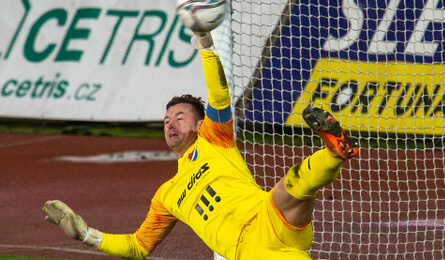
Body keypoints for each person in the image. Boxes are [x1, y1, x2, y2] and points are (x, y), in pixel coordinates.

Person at [42, 32, 358, 260]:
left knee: (294, 185)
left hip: (268, 213)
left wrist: (205, 45)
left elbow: (219, 95)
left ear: (198, 124)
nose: (170, 124)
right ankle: (330, 154)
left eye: (180, 117)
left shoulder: (214, 138)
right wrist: (87, 235)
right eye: (166, 120)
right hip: (251, 251)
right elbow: (138, 247)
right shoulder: (166, 195)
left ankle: (334, 150)